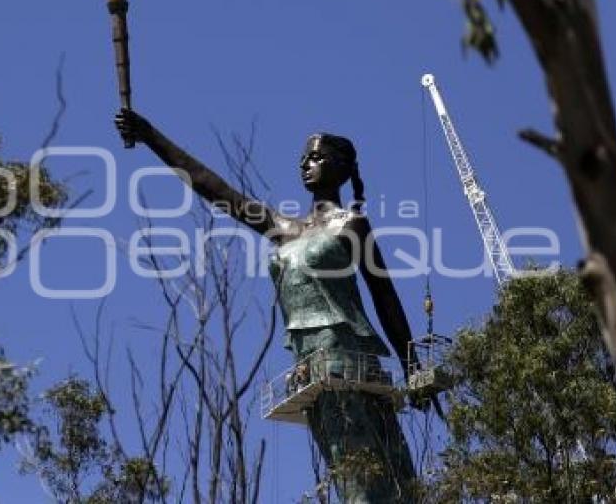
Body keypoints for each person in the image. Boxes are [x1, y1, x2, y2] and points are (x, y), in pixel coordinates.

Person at [115, 109, 417, 502]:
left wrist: (413, 368)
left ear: (342, 169)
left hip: (349, 357)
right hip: (309, 365)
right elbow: (215, 189)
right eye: (303, 159)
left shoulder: (352, 225)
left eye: (317, 157)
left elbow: (385, 297)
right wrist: (151, 136)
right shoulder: (284, 228)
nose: (307, 164)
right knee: (345, 474)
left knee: (369, 480)